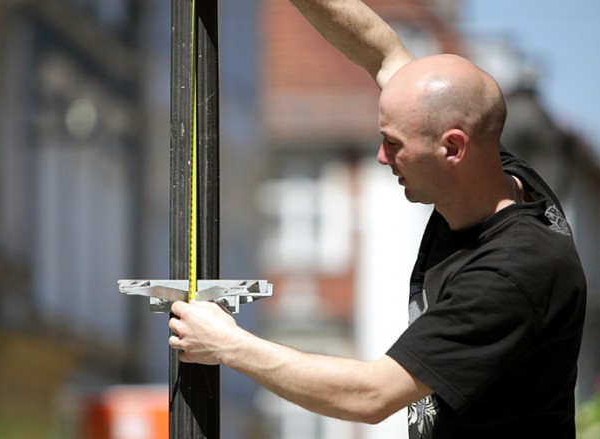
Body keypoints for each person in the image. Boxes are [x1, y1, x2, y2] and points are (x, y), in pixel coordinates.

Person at [168, 1, 587, 438]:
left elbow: (371, 396)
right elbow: (384, 52)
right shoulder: (490, 170)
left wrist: (227, 345)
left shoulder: (514, 270)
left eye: (394, 144)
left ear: (453, 148)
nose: (382, 157)